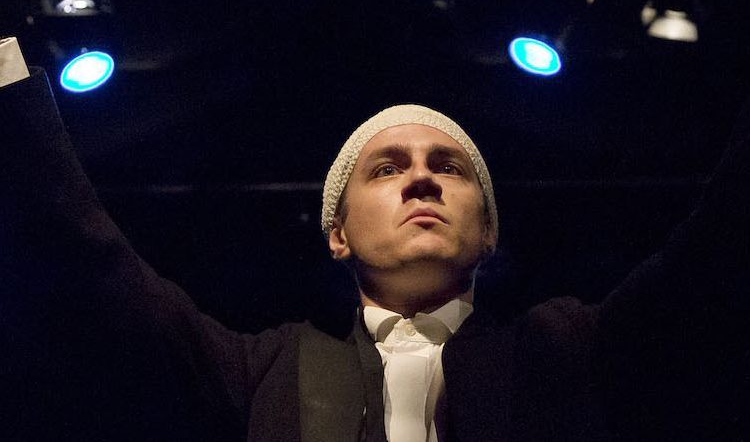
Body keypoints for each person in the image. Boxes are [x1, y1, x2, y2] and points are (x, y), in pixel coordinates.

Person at [1, 35, 749, 442]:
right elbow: (86, 263)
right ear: (337, 234)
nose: (421, 181)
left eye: (449, 169)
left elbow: (717, 255)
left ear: (488, 231)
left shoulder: (571, 351)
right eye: (386, 169)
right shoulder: (262, 370)